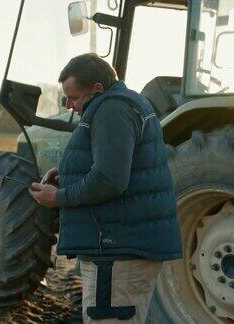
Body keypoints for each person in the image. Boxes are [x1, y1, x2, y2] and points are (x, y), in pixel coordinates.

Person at [28, 53, 183, 323]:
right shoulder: (121, 105)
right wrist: (68, 176)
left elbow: (110, 180)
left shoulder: (112, 109)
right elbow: (120, 170)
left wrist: (59, 197)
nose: (70, 105)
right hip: (118, 249)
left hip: (116, 252)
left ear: (97, 89)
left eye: (74, 97)